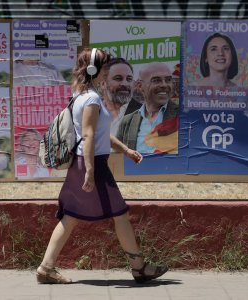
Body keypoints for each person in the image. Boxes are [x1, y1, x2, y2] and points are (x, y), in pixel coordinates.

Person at [36, 48, 168, 284]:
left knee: (72, 216)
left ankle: (46, 268)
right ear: (95, 70)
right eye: (106, 68)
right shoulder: (92, 99)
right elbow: (87, 135)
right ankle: (139, 268)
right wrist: (89, 171)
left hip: (86, 163)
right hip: (92, 164)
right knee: (120, 214)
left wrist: (125, 149)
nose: (108, 71)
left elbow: (98, 133)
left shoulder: (81, 96)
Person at [117, 62, 179, 154]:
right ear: (140, 86)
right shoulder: (127, 122)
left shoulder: (183, 116)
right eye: (156, 80)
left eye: (168, 80)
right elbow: (119, 157)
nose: (164, 85)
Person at [101, 58, 142, 136]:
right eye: (118, 78)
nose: (125, 83)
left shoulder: (144, 113)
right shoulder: (93, 110)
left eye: (129, 79)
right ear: (103, 84)